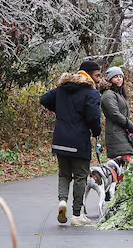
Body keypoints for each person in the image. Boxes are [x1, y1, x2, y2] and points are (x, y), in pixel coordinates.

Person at [40, 58, 103, 225]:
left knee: (64, 174)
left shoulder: (62, 89)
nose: (99, 78)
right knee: (81, 176)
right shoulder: (91, 93)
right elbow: (93, 117)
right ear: (89, 74)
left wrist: (62, 112)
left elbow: (44, 99)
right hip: (79, 140)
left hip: (60, 140)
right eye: (97, 75)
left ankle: (62, 201)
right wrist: (97, 132)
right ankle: (76, 214)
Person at [100, 65, 133, 164]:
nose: (119, 79)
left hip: (122, 134)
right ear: (110, 79)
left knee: (126, 167)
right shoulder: (108, 95)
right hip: (116, 135)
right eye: (116, 77)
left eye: (121, 76)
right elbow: (115, 114)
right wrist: (130, 125)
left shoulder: (118, 94)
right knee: (122, 167)